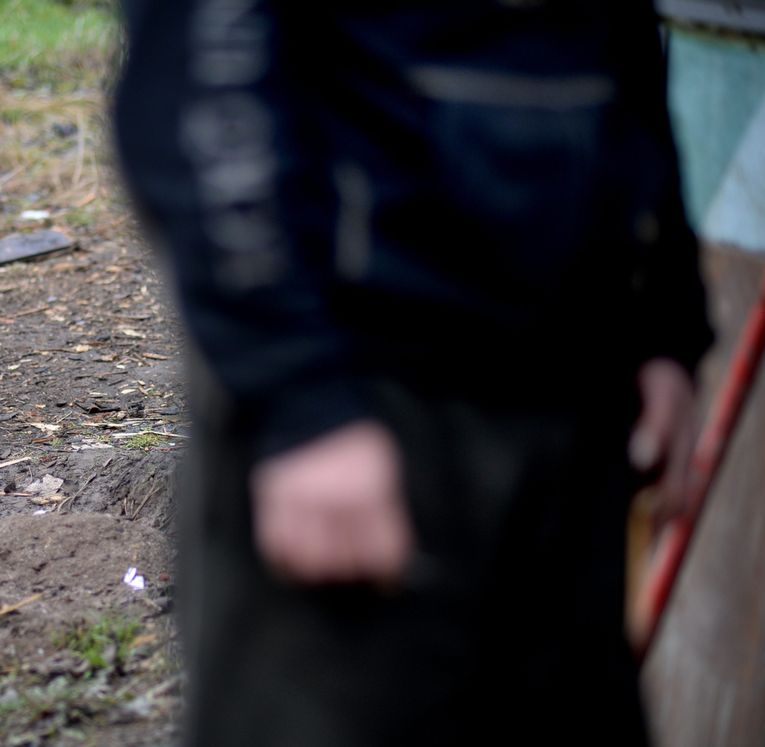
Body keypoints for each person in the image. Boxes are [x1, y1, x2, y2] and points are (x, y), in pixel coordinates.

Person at [112, 2, 712, 745]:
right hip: (368, 405)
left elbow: (621, 49)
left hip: (574, 410)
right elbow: (201, 72)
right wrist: (300, 398)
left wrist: (664, 315)